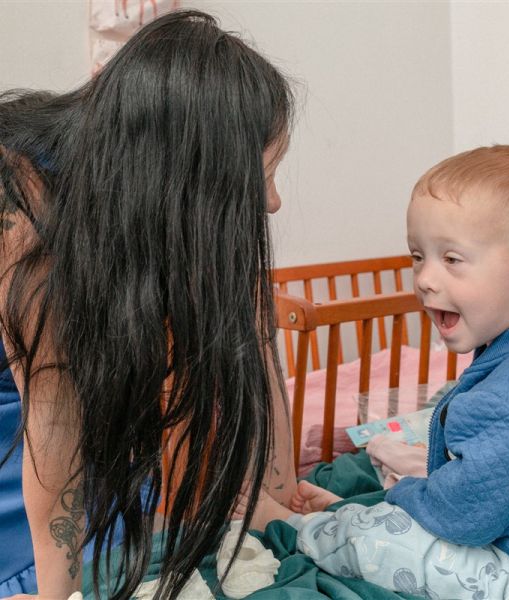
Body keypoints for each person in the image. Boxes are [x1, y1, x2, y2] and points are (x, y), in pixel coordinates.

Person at [0, 10, 295, 599]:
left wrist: (273, 505)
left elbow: (250, 349)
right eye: (261, 176)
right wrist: (61, 595)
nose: (272, 202)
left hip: (102, 465)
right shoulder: (24, 203)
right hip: (28, 470)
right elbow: (54, 422)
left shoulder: (152, 212)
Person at [245, 146, 509, 599]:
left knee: (381, 541)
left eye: (451, 259)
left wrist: (403, 495)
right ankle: (340, 517)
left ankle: (293, 526)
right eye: (418, 256)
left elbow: (461, 519)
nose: (425, 278)